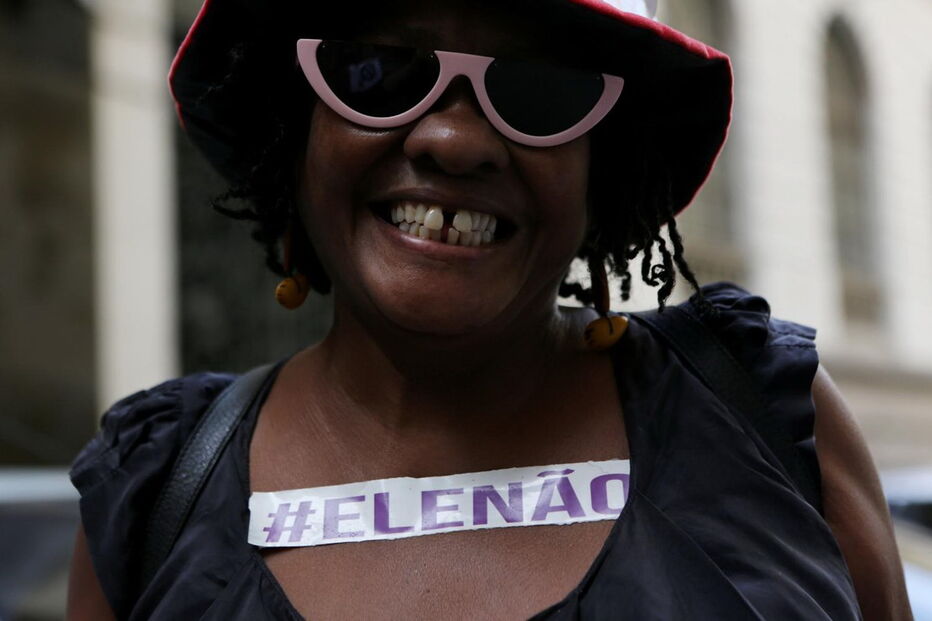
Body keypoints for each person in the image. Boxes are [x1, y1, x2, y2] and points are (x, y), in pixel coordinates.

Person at [67, 0, 913, 619]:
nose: (454, 140)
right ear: (297, 128)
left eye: (536, 92)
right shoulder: (153, 498)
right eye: (380, 72)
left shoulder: (764, 414)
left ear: (600, 166)